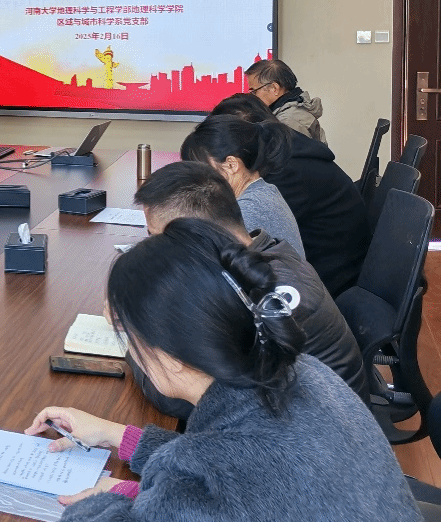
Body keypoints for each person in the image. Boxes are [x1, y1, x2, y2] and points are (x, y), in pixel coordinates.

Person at [24, 218, 426, 522]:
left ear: (171, 355)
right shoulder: (302, 371)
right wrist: (117, 436)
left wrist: (105, 499)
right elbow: (230, 479)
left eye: (128, 335)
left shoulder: (224, 465)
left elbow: (218, 478)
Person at [132, 161, 368, 417]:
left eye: (158, 239)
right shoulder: (263, 252)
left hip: (319, 433)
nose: (155, 250)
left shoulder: (262, 295)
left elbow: (186, 401)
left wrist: (131, 330)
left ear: (197, 234)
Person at [212, 93, 370, 295]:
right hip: (338, 269)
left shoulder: (285, 171)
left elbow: (242, 234)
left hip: (328, 283)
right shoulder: (290, 151)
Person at [180, 113, 306, 256]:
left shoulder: (249, 209)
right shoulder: (263, 192)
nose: (198, 179)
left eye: (203, 169)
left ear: (231, 165)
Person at [246, 57, 327, 143]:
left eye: (254, 91)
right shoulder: (292, 112)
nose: (253, 96)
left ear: (274, 88)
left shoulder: (288, 121)